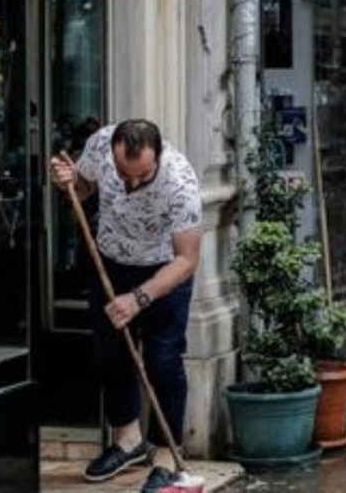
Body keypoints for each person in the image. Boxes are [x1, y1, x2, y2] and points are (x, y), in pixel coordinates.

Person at [49, 120, 202, 492]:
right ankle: (128, 441)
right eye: (123, 174)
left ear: (158, 157)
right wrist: (69, 181)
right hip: (111, 260)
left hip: (163, 270)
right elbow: (85, 188)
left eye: (142, 177)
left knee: (163, 361)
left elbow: (187, 260)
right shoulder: (101, 144)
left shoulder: (180, 182)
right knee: (111, 354)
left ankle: (167, 456)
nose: (131, 184)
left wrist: (139, 298)